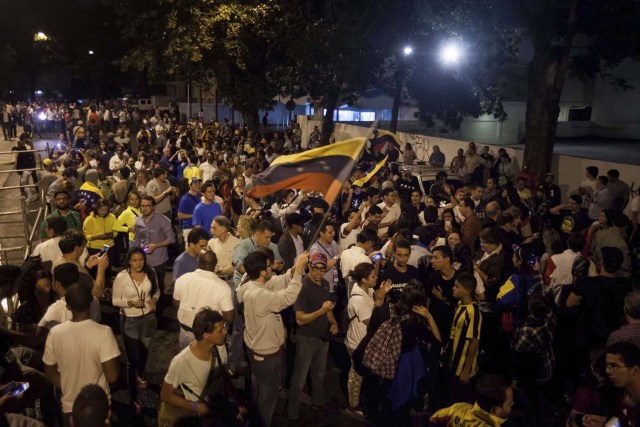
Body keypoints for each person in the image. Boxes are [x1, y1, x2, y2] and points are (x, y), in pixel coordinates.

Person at [236, 251, 307, 427]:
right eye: (269, 266)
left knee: (258, 388)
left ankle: (254, 418)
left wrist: (293, 269)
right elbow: (287, 297)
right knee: (268, 396)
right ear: (262, 272)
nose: (272, 268)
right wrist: (298, 272)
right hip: (267, 355)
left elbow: (276, 282)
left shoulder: (249, 282)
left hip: (255, 350)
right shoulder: (258, 295)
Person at [43, 283, 120, 424]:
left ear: (67, 306)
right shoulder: (104, 332)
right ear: (91, 302)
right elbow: (112, 376)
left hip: (70, 405)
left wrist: (68, 384)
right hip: (98, 405)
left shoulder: (55, 333)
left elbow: (50, 371)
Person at [160, 308, 247, 426]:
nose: (226, 331)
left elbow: (224, 376)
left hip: (217, 410)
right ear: (206, 335)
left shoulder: (219, 348)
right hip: (198, 419)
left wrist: (239, 402)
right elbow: (166, 395)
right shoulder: (181, 362)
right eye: (220, 329)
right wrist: (197, 407)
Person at [286, 253, 338, 420]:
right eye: (315, 268)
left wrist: (333, 322)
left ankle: (317, 403)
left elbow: (328, 308)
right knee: (299, 378)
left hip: (323, 338)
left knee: (320, 373)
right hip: (307, 339)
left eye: (322, 269)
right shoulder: (303, 287)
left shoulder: (324, 284)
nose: (319, 272)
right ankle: (292, 413)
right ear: (309, 267)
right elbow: (300, 320)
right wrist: (321, 311)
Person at [112, 247, 160, 413]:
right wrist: (129, 303)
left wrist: (153, 299)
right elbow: (114, 300)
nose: (138, 263)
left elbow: (157, 291)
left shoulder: (151, 272)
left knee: (145, 351)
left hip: (148, 318)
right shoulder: (122, 277)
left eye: (141, 259)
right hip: (129, 320)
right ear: (129, 261)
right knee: (132, 359)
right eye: (134, 260)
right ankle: (133, 397)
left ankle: (140, 375)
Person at [173, 250, 234, 349]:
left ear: (198, 261)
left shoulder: (182, 279)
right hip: (210, 337)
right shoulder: (222, 287)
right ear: (215, 264)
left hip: (186, 333)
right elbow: (229, 317)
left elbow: (176, 303)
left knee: (188, 362)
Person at [133, 195, 176, 315]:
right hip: (143, 260)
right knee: (144, 286)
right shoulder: (138, 221)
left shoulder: (163, 220)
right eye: (142, 206)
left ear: (153, 207)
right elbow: (137, 240)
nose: (145, 208)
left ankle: (159, 312)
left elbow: (171, 239)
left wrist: (155, 246)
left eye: (148, 206)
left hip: (158, 259)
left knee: (158, 286)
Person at [443, 272, 482, 403]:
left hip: (463, 367)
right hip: (453, 363)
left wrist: (466, 370)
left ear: (467, 290)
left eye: (457, 286)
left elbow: (474, 341)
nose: (453, 288)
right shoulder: (460, 305)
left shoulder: (473, 312)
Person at [430, 374, 514, 426]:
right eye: (509, 404)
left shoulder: (459, 407)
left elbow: (434, 418)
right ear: (496, 410)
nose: (513, 404)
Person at [309, 222, 342, 294]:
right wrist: (337, 257)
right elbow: (321, 269)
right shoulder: (315, 250)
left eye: (333, 231)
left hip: (335, 285)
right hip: (323, 289)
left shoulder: (333, 243)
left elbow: (341, 252)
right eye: (330, 232)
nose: (333, 234)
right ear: (321, 234)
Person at [207, 215, 240, 284]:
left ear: (223, 229)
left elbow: (236, 266)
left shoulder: (237, 244)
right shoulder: (211, 243)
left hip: (231, 282)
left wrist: (220, 270)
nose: (210, 230)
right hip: (214, 281)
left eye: (214, 228)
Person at [177, 177, 203, 243]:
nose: (198, 186)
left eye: (199, 183)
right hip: (189, 228)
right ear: (190, 186)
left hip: (199, 227)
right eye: (195, 184)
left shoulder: (200, 196)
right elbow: (180, 215)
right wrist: (194, 215)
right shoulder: (185, 199)